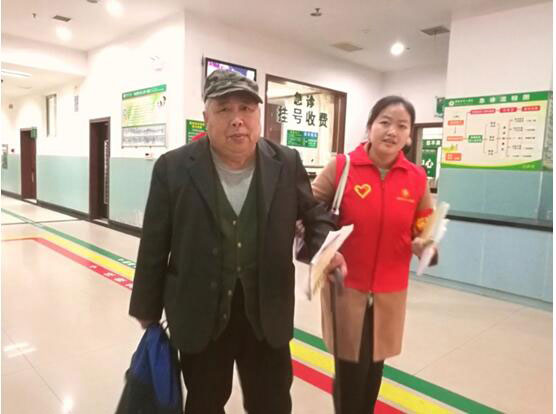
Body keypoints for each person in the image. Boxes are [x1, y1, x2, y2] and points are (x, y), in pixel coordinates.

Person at [128, 69, 346, 414]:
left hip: (267, 312)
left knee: (272, 403)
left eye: (246, 108)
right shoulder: (173, 167)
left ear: (259, 116)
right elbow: (155, 243)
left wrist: (325, 249)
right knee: (205, 402)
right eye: (224, 109)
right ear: (206, 117)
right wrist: (146, 307)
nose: (237, 120)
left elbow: (313, 213)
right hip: (201, 313)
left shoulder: (285, 162)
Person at [311, 95, 436, 413]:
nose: (392, 131)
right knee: (351, 370)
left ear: (409, 136)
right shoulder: (342, 167)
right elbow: (307, 210)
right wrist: (324, 245)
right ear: (369, 127)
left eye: (402, 126)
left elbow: (425, 226)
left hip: (390, 291)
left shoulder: (416, 178)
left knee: (373, 369)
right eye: (385, 122)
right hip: (346, 286)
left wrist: (425, 244)